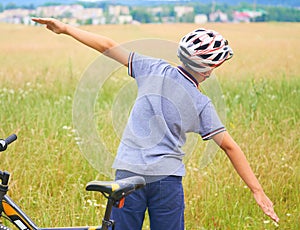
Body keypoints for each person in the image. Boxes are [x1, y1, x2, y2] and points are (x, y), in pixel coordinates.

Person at [32, 17, 279, 229]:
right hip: (167, 182)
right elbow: (230, 147)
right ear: (210, 68)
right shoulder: (201, 104)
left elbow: (108, 46)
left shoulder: (153, 68)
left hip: (127, 177)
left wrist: (65, 28)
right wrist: (257, 191)